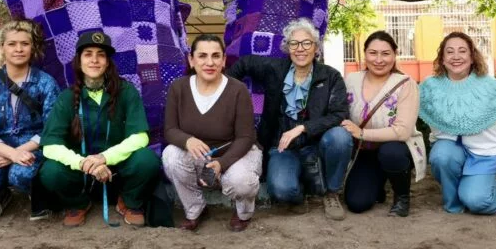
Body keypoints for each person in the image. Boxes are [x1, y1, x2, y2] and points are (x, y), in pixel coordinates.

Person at [228, 18, 351, 220]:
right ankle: (302, 190)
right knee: (282, 190)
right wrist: (224, 93)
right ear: (287, 47)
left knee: (340, 136)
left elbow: (339, 115)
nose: (300, 49)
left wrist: (303, 128)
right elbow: (244, 63)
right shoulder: (275, 68)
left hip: (317, 143)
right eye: (294, 43)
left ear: (316, 48)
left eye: (306, 43)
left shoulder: (330, 76)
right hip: (282, 147)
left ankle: (331, 193)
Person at [38, 31, 161, 227]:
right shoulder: (67, 97)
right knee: (49, 171)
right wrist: (83, 163)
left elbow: (140, 137)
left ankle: (128, 201)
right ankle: (78, 204)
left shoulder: (126, 91)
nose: (94, 60)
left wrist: (104, 158)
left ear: (108, 62)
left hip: (118, 168)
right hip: (80, 170)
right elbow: (50, 145)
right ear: (79, 61)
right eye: (88, 54)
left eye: (101, 54)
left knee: (147, 160)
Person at [0, 20, 61, 221]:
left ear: (32, 48)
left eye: (24, 44)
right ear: (2, 48)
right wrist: (11, 154)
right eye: (12, 44)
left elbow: (52, 128)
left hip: (35, 151)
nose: (18, 49)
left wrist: (18, 154)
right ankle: (0, 196)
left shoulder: (45, 83)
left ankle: (39, 196)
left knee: (21, 174)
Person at [162, 34, 262, 232]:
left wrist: (221, 164)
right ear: (191, 60)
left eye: (216, 56)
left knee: (241, 182)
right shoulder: (178, 87)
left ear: (224, 60)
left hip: (237, 152)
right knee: (171, 155)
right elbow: (170, 129)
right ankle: (195, 209)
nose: (210, 62)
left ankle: (243, 212)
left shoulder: (238, 90)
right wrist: (187, 140)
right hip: (199, 155)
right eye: (202, 56)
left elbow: (245, 137)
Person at [421, 32, 496, 215]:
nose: (456, 57)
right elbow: (418, 109)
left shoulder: (490, 85)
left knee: (476, 201)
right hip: (452, 150)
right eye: (450, 52)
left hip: (485, 153)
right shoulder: (430, 86)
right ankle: (453, 205)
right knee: (441, 156)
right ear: (442, 59)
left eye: (462, 51)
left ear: (471, 57)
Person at [341, 31, 424, 217]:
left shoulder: (405, 84)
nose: (379, 59)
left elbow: (402, 132)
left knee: (391, 153)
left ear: (395, 55)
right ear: (365, 54)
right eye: (373, 53)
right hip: (364, 151)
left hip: (396, 149)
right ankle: (378, 183)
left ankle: (402, 197)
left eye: (385, 54)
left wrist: (362, 133)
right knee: (356, 203)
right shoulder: (352, 79)